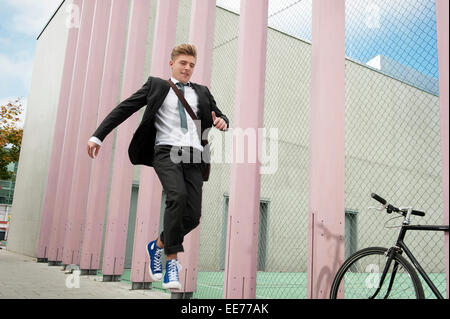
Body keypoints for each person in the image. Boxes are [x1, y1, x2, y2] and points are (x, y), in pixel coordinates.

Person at [87, 44, 229, 290]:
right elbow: (124, 108)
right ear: (172, 63)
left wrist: (222, 121)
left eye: (192, 65)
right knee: (177, 196)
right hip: (166, 151)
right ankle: (171, 264)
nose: (187, 68)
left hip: (195, 155)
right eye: (183, 63)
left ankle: (159, 245)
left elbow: (220, 115)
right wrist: (98, 136)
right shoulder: (157, 85)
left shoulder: (202, 92)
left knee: (193, 217)